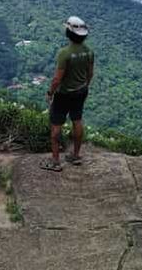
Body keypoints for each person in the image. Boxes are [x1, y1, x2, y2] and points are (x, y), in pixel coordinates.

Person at [41, 16, 94, 172]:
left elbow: (57, 79)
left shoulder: (64, 53)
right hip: (81, 91)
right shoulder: (89, 52)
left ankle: (55, 161)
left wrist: (50, 93)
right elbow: (90, 74)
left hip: (64, 94)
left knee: (56, 124)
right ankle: (76, 156)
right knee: (77, 120)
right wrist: (84, 87)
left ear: (69, 33)